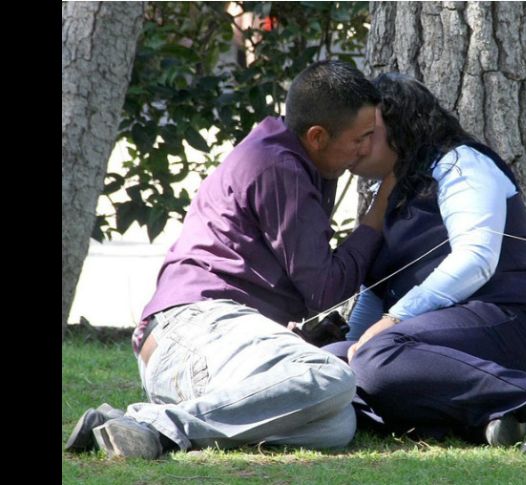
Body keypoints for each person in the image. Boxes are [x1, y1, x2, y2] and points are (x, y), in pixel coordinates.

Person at [65, 60, 396, 459]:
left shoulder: (288, 152)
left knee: (336, 425)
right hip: (194, 330)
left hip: (201, 352)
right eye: (361, 138)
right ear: (317, 136)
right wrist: (378, 212)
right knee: (332, 376)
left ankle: (122, 424)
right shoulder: (282, 168)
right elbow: (324, 289)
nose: (366, 150)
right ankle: (153, 425)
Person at [324, 73, 526, 455]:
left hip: (511, 320)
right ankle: (487, 421)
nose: (356, 144)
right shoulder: (393, 190)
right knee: (331, 364)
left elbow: (476, 259)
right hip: (435, 340)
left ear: (401, 127)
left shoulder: (461, 163)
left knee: (378, 356)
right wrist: (352, 344)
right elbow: (374, 291)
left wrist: (392, 321)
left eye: (367, 133)